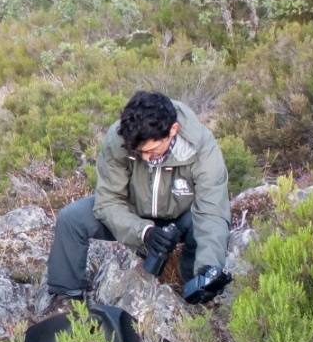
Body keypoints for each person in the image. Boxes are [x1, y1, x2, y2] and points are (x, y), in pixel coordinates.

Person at [46, 91, 231, 308]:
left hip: (180, 217)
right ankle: (66, 298)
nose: (145, 158)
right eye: (139, 152)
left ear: (173, 130)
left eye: (152, 151)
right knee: (71, 219)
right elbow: (108, 201)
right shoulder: (120, 140)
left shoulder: (201, 148)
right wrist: (144, 232)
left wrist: (209, 268)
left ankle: (194, 286)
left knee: (199, 226)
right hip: (133, 211)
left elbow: (212, 211)